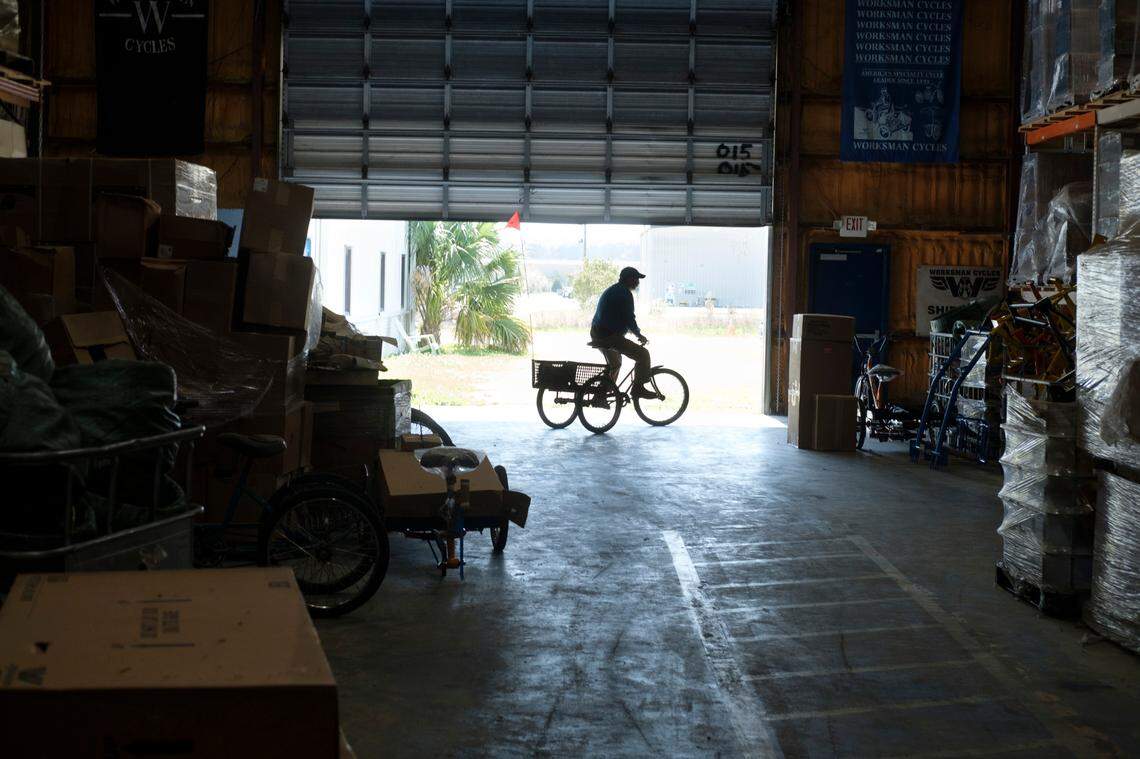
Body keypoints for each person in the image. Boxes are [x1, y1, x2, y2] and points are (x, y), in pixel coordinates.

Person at [590, 267, 656, 398]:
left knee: (615, 363)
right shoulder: (624, 293)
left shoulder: (614, 289)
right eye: (636, 279)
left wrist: (634, 332)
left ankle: (600, 396)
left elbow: (622, 319)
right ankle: (638, 388)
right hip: (608, 336)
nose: (638, 282)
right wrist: (639, 335)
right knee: (643, 355)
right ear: (629, 279)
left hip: (599, 332)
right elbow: (629, 319)